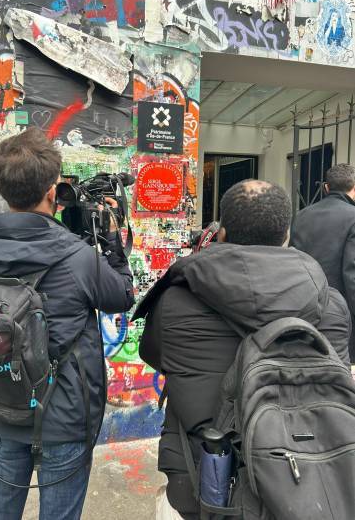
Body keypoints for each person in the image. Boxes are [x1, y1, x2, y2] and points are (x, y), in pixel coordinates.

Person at [135, 180, 351, 520]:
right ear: (286, 236)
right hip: (303, 486)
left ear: (221, 233)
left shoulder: (175, 299)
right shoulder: (331, 304)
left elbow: (153, 356)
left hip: (204, 480)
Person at [0, 127, 135, 520]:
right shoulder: (76, 255)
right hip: (63, 416)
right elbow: (122, 296)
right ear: (51, 192)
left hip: (4, 403)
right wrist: (111, 241)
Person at [291, 163, 355, 360]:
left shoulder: (302, 215)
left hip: (302, 309)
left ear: (326, 187)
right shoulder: (353, 217)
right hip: (340, 315)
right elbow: (352, 275)